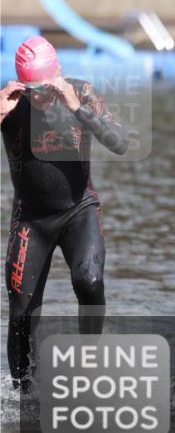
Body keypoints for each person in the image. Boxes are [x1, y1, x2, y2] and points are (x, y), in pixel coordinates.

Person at [0, 36, 129, 391]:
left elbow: (121, 143)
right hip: (31, 220)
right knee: (22, 313)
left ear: (57, 73)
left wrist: (76, 108)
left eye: (43, 87)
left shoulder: (81, 92)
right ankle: (24, 398)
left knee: (88, 281)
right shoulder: (10, 102)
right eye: (30, 89)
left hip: (78, 211)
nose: (37, 96)